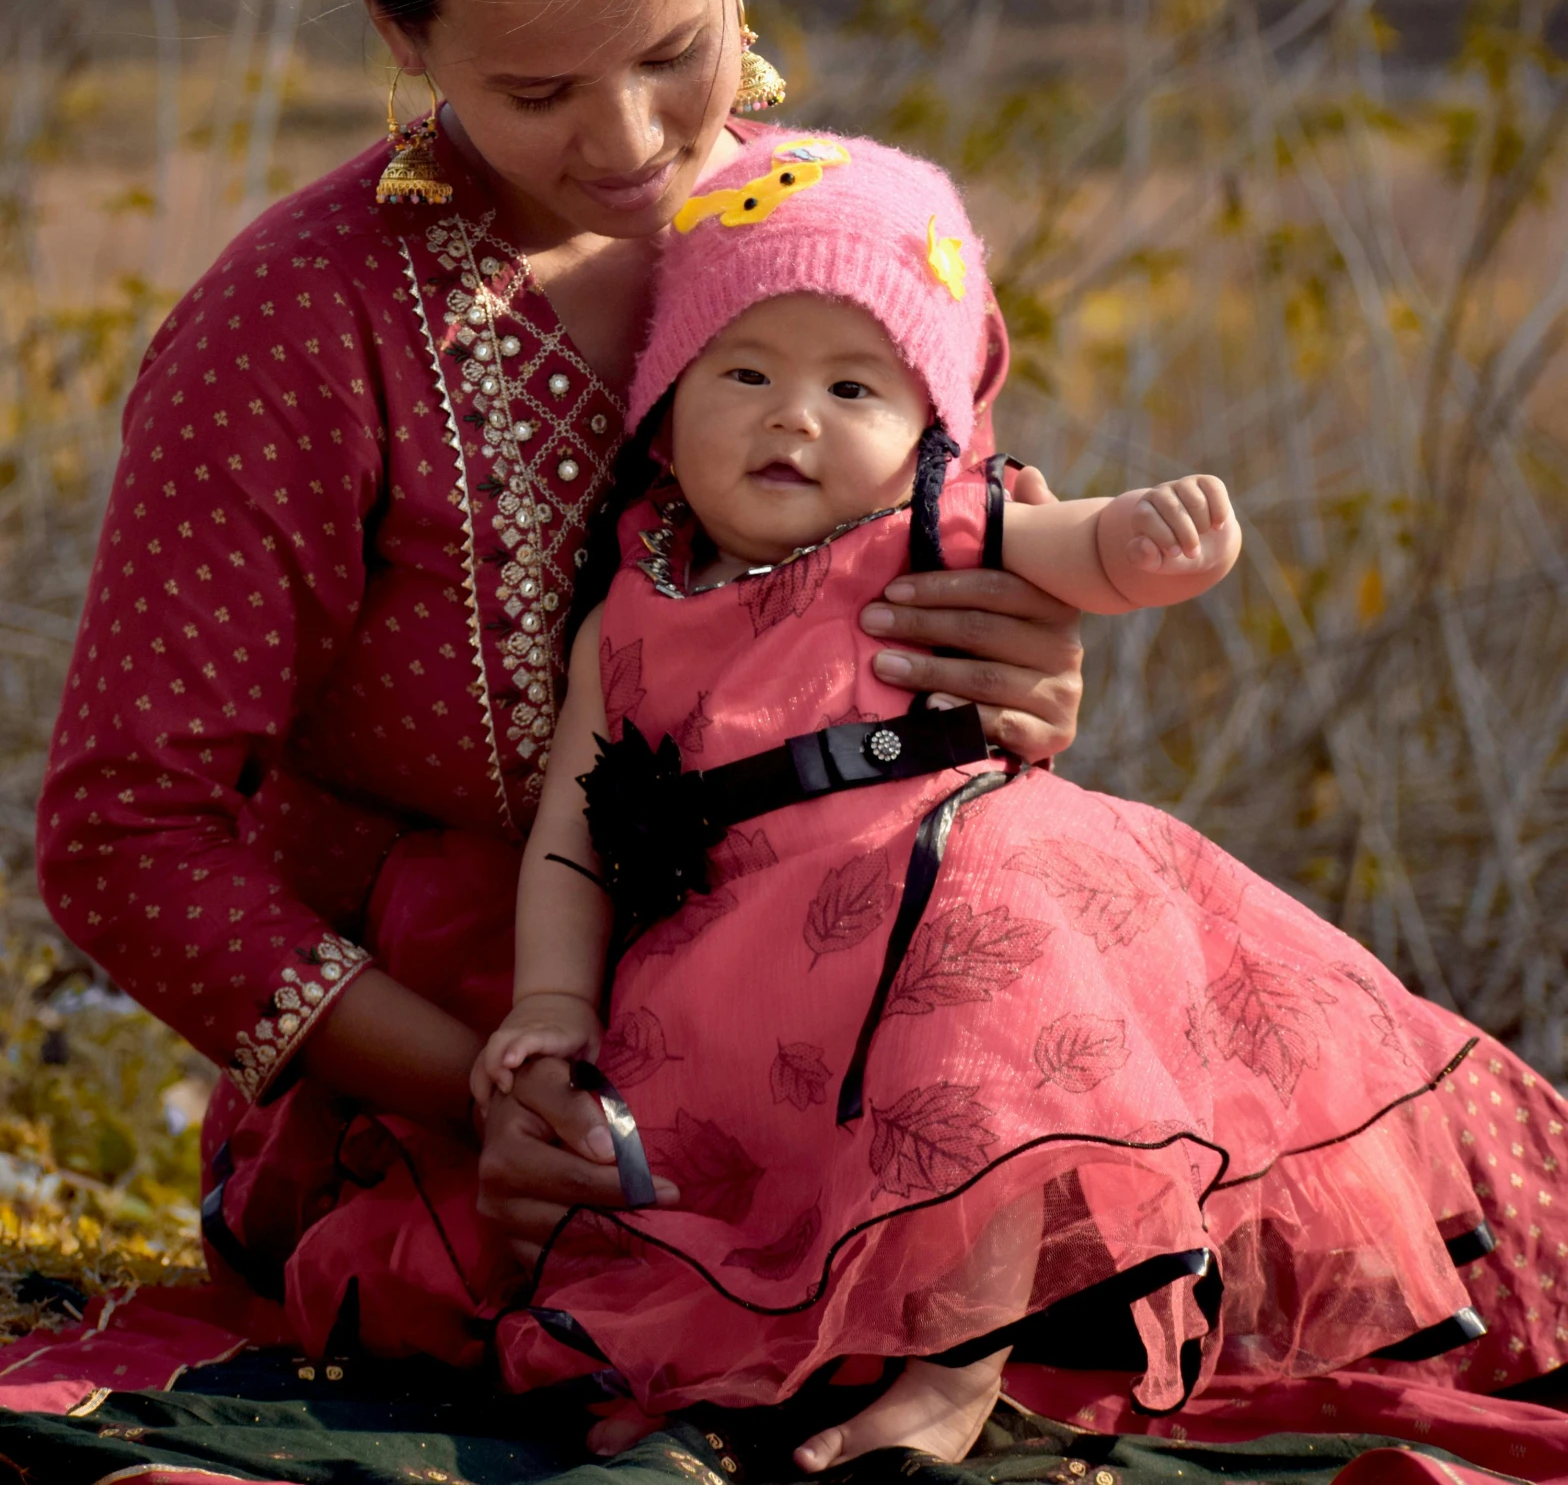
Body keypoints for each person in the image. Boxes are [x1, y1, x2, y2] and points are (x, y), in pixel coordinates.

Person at [34, 0, 1086, 1353]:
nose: (629, 141)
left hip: (849, 1024)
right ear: (402, 34)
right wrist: (489, 1085)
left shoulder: (850, 252)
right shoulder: (296, 328)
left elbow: (938, 596)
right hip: (463, 1096)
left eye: (679, 53)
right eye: (536, 92)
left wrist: (1014, 688)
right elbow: (121, 833)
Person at [453, 131, 1568, 1470]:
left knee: (978, 1043)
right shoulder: (628, 608)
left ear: (929, 427)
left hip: (955, 900)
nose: (792, 415)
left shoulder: (922, 532)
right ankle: (834, 1337)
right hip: (750, 982)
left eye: (853, 385)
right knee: (716, 1216)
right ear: (663, 399)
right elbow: (576, 834)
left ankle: (951, 1364)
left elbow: (1073, 546)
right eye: (742, 371)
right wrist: (552, 1003)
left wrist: (1143, 541)